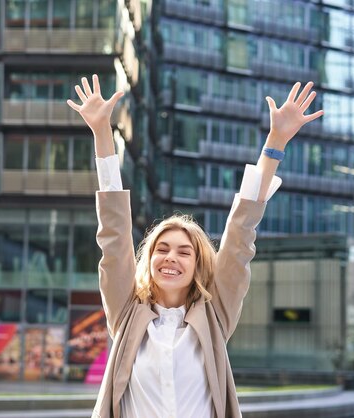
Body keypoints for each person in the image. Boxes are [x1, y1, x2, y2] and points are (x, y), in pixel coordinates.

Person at [67, 74, 323, 418]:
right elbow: (113, 234)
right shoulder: (127, 312)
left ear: (198, 264)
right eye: (162, 248)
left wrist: (275, 141)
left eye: (184, 251)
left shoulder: (214, 314)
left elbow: (240, 235)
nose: (171, 257)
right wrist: (101, 133)